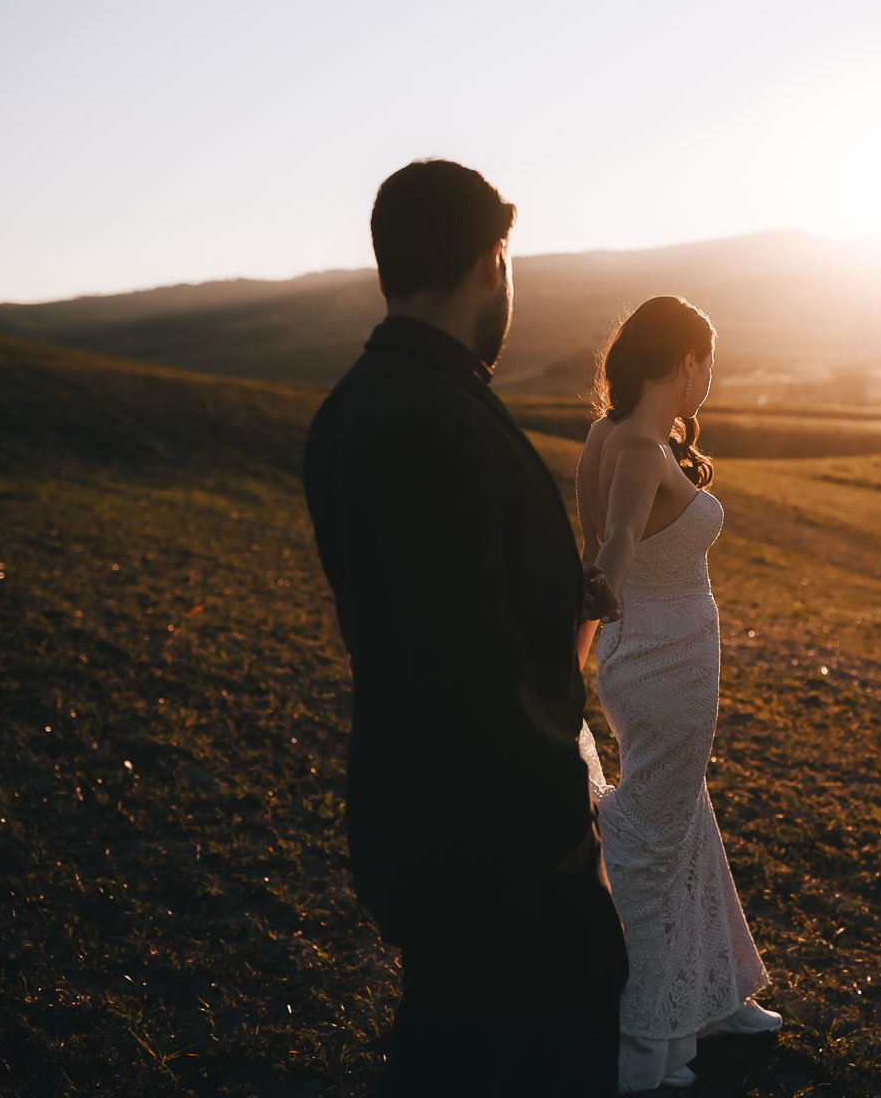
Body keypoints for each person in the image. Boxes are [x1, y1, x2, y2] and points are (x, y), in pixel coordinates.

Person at [302, 159, 627, 1096]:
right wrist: (562, 835)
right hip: (495, 845)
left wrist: (557, 601)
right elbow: (462, 666)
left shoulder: (349, 411)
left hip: (415, 815)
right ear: (494, 261)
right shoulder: (435, 420)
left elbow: (415, 608)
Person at [574, 296, 780, 1094]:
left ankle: (717, 993)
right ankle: (640, 1042)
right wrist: (605, 595)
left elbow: (606, 547)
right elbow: (616, 544)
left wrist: (583, 652)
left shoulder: (607, 435)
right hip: (664, 672)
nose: (709, 384)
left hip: (646, 663)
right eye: (709, 367)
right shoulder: (637, 449)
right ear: (686, 362)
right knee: (649, 848)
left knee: (685, 818)